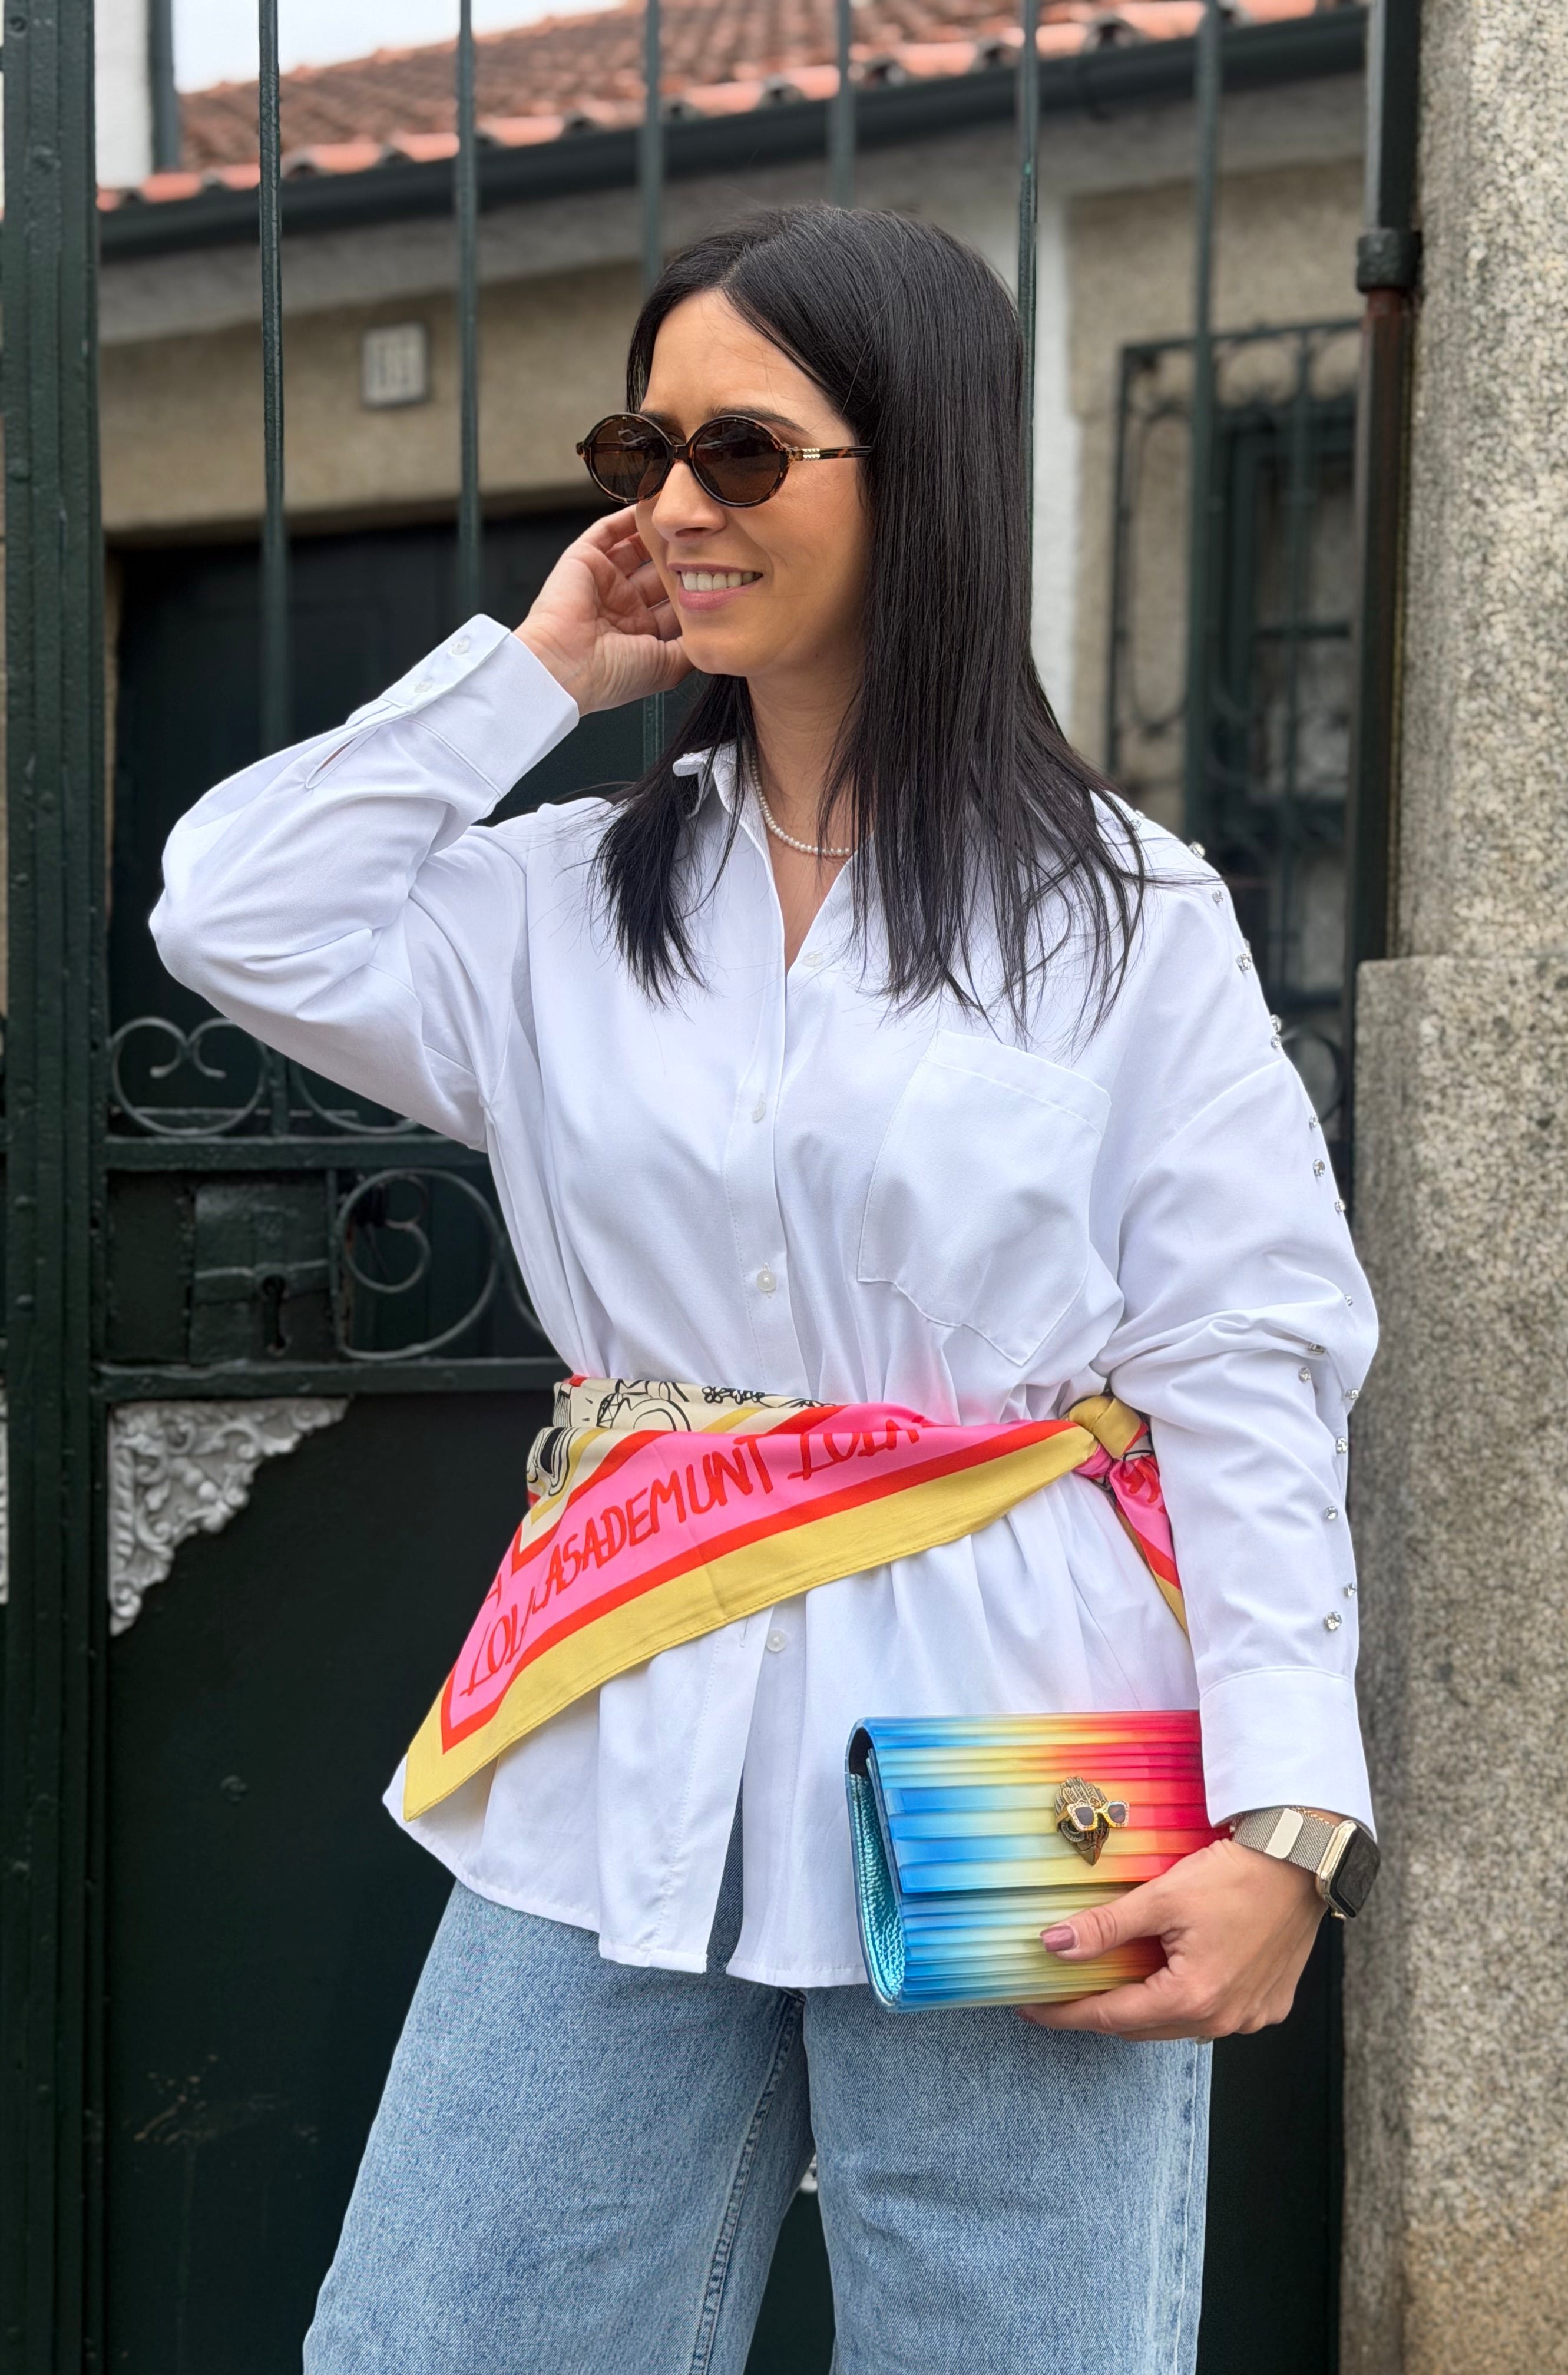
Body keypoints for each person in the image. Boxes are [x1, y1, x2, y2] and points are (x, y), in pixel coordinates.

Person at [152, 204, 1377, 2375]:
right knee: (443, 2334)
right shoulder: (560, 904)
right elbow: (230, 912)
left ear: (926, 473)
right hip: (626, 1715)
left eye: (742, 451)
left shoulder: (1122, 920)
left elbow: (1250, 1366)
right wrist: (535, 673)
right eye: (643, 452)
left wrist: (1294, 1819)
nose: (675, 509)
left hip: (1017, 1756)